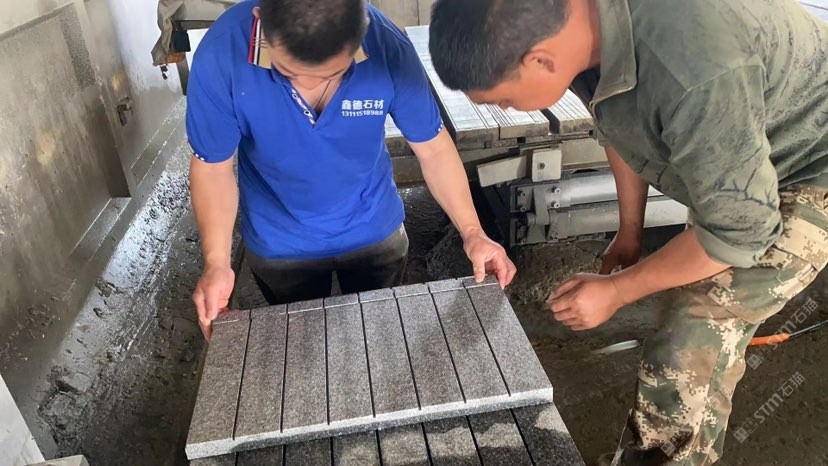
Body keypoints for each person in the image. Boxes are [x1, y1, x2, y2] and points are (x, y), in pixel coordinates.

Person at [429, 0, 828, 464]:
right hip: (746, 154)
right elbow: (621, 126)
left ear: (539, 59)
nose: (503, 108)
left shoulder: (692, 67)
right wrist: (630, 232)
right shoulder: (583, 30)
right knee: (690, 268)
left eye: (503, 101)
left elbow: (738, 233)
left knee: (695, 318)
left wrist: (619, 291)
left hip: (810, 164)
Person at [187, 0, 516, 340]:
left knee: (377, 337)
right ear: (261, 20)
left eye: (332, 74)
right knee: (301, 344)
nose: (309, 85)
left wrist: (473, 232)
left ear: (362, 31)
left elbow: (433, 149)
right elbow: (213, 168)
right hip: (280, 241)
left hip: (373, 228)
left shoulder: (387, 47)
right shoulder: (221, 54)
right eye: (288, 71)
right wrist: (216, 263)